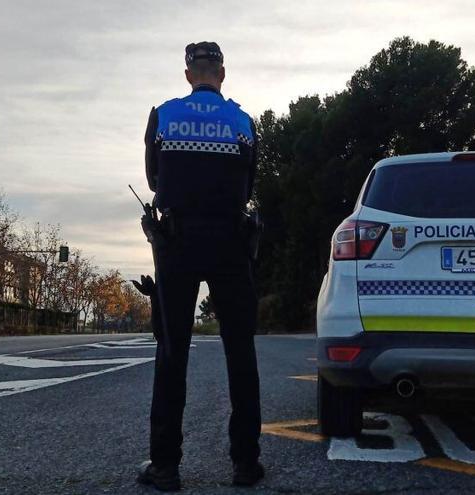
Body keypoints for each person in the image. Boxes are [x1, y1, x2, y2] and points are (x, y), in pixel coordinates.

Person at [136, 41, 263, 492]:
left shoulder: (165, 116)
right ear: (222, 75)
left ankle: (166, 467)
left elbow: (154, 179)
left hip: (178, 241)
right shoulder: (244, 122)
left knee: (172, 353)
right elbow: (248, 182)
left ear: (189, 74)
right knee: (240, 352)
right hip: (230, 240)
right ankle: (246, 464)